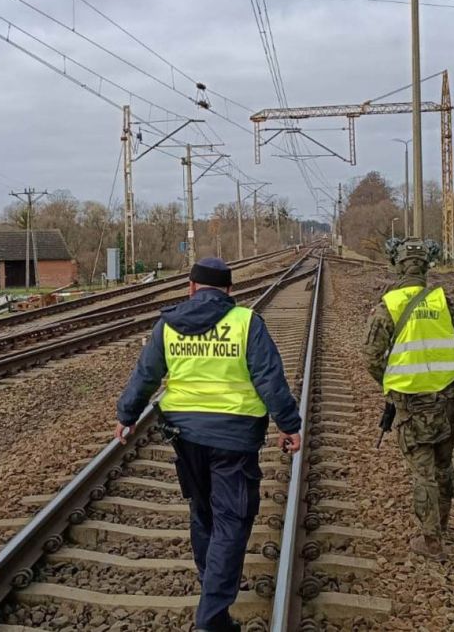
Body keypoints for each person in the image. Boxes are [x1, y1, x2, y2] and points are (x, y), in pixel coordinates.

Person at [115, 257, 302, 632]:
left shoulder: (168, 324)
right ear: (230, 291)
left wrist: (126, 415)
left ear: (191, 287)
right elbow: (269, 379)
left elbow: (146, 374)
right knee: (231, 521)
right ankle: (212, 617)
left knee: (203, 513)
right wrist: (289, 425)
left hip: (185, 437)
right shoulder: (246, 322)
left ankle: (211, 587)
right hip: (234, 437)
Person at [365, 238, 454, 560]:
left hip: (411, 406)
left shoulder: (391, 304)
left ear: (398, 267)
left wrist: (392, 383)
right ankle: (441, 527)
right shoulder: (445, 302)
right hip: (446, 401)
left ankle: (431, 543)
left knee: (422, 473)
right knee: (444, 467)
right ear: (426, 267)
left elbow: (371, 356)